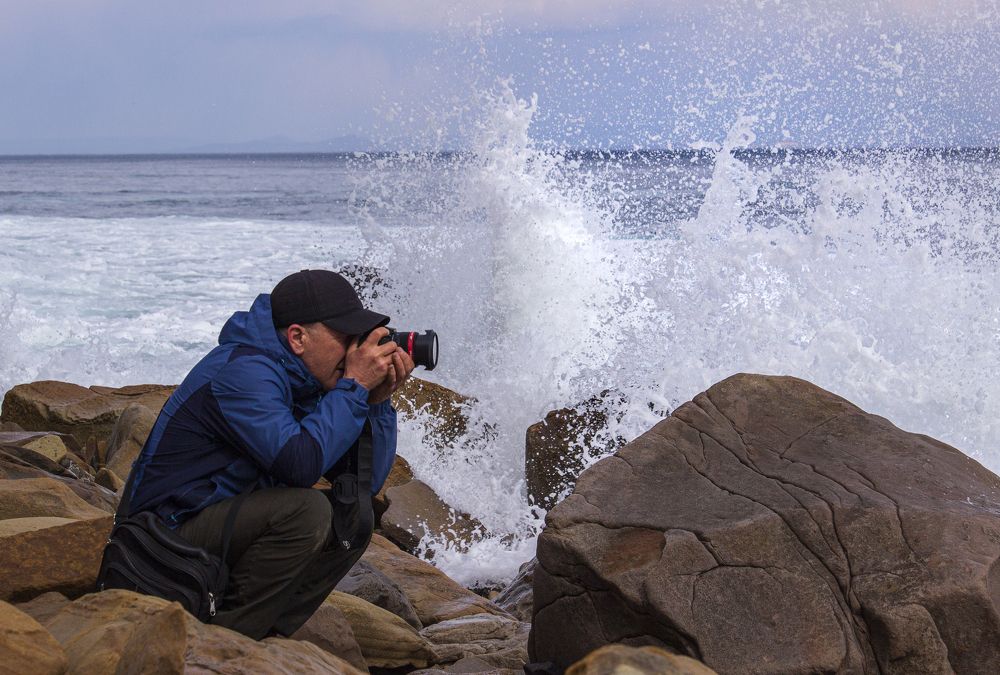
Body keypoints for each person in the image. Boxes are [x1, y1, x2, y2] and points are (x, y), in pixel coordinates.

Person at [121, 269, 413, 639]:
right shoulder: (245, 373)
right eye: (345, 337)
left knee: (353, 516)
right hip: (158, 543)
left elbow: (363, 484)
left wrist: (376, 403)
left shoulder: (303, 380)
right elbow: (299, 465)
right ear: (297, 337)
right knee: (307, 512)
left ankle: (267, 635)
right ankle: (226, 642)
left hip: (213, 527)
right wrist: (353, 387)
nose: (355, 350)